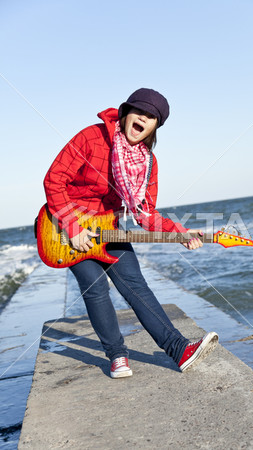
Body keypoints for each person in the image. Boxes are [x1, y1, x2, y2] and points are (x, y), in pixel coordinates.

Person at [44, 88, 218, 378]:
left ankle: (179, 350)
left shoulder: (147, 164)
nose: (143, 118)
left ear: (154, 127)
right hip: (65, 227)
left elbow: (147, 215)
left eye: (151, 117)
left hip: (108, 228)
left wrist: (181, 233)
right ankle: (116, 355)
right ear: (125, 114)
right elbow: (54, 180)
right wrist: (72, 227)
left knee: (135, 283)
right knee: (95, 285)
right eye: (139, 111)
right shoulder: (90, 137)